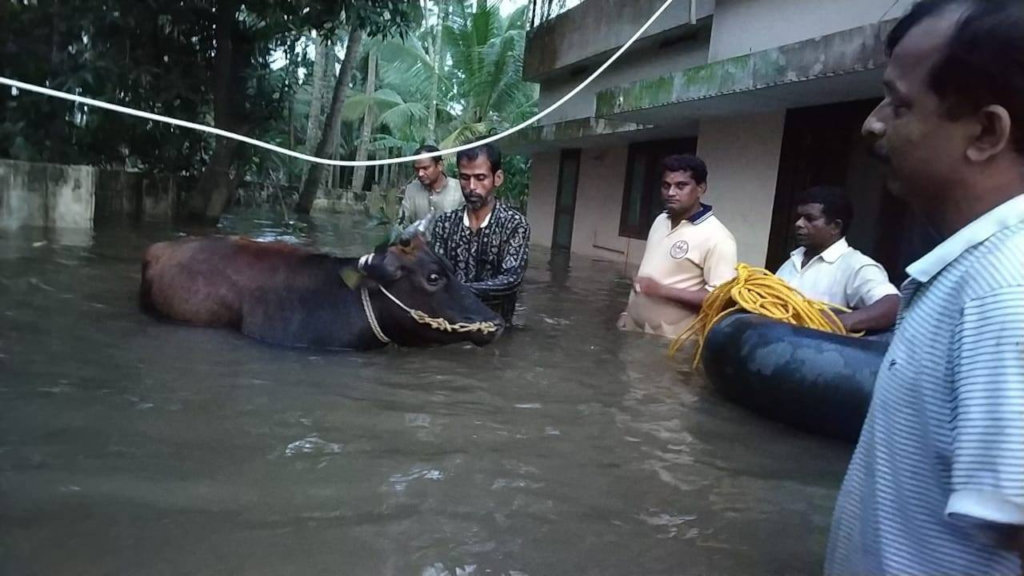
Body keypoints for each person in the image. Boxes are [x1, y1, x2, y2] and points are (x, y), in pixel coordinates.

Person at [825, 1, 1024, 574]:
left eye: (901, 103)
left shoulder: (1003, 294)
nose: (874, 123)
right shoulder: (966, 274)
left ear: (986, 132)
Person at [617, 154, 737, 339]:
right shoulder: (660, 221)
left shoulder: (718, 237)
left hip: (672, 342)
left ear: (701, 188)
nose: (671, 192)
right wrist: (627, 313)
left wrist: (661, 290)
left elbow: (720, 299)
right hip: (635, 331)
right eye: (666, 186)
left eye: (681, 186)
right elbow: (645, 275)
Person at [775, 186, 900, 332]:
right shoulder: (792, 261)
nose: (799, 224)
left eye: (810, 219)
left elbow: (893, 305)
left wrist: (834, 323)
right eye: (799, 218)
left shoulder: (857, 266)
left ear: (835, 226)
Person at [430, 142, 530, 324]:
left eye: (480, 178)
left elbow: (511, 279)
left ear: (497, 178)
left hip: (495, 329)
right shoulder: (444, 224)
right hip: (451, 327)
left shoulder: (514, 225)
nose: (472, 186)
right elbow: (434, 273)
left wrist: (460, 290)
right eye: (465, 178)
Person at [398, 144, 464, 225]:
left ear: (439, 166)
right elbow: (401, 223)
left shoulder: (459, 190)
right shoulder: (412, 190)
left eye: (425, 168)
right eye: (417, 169)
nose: (420, 173)